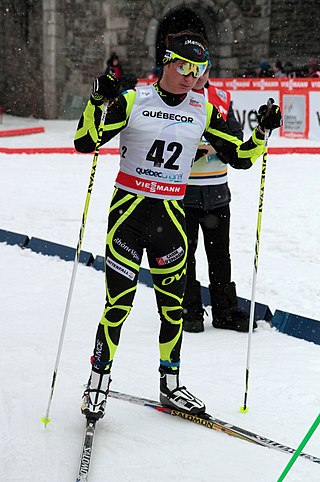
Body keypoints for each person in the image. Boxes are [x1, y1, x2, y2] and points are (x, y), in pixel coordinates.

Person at [74, 30, 282, 421]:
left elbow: (240, 157)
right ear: (166, 62)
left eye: (198, 69)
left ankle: (170, 386)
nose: (190, 76)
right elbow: (86, 142)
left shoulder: (202, 110)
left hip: (171, 217)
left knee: (173, 310)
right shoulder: (135, 99)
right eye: (183, 66)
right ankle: (97, 384)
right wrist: (97, 101)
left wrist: (262, 131)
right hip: (129, 215)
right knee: (117, 305)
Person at [182, 62, 257, 333]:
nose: (200, 77)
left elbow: (236, 137)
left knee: (220, 255)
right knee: (185, 255)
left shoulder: (222, 98)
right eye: (195, 71)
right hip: (185, 193)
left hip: (216, 192)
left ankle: (224, 311)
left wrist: (216, 145)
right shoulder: (178, 99)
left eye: (205, 71)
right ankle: (189, 310)